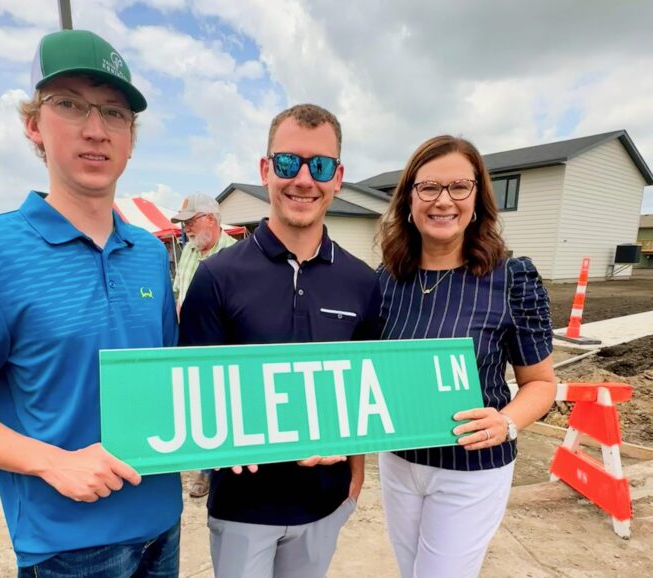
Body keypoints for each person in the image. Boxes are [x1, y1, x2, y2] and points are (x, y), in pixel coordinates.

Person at [0, 29, 181, 577]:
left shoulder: (149, 253)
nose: (95, 130)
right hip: (66, 545)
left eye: (114, 113)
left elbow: (169, 382)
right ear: (34, 125)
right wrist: (54, 463)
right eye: (70, 106)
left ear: (131, 137)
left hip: (162, 525)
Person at [179, 104, 382, 578]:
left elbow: (368, 386)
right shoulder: (216, 277)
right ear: (266, 169)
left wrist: (355, 474)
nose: (304, 179)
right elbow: (194, 392)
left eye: (321, 166)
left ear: (338, 177)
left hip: (325, 504)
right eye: (289, 163)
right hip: (243, 509)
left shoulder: (362, 282)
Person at [376, 135, 557, 577]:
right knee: (409, 569)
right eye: (429, 188)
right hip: (398, 463)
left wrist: (508, 422)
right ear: (409, 200)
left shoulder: (512, 279)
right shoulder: (386, 279)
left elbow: (541, 383)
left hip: (470, 467)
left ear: (477, 198)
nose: (444, 201)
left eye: (459, 187)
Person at [170, 193, 236, 499]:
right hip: (189, 346)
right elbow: (178, 292)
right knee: (197, 409)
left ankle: (210, 472)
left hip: (222, 350)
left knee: (220, 410)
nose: (186, 231)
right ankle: (204, 464)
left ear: (210, 219)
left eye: (191, 223)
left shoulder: (236, 256)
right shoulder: (189, 252)